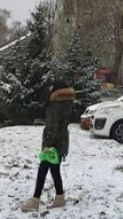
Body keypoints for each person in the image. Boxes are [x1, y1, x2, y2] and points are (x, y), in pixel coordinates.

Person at [21, 80, 76, 212]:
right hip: (62, 141)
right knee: (54, 169)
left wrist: (47, 145)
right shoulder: (67, 103)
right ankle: (59, 197)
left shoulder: (55, 105)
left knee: (43, 170)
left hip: (53, 144)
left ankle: (35, 201)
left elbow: (52, 127)